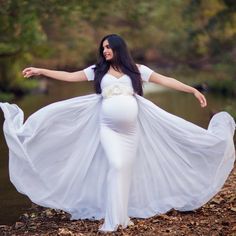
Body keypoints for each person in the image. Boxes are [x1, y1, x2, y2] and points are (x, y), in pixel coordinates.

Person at [0, 34, 235, 232]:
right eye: (103, 48)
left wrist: (191, 90)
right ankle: (112, 221)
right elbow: (71, 76)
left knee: (125, 170)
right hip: (108, 129)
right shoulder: (98, 70)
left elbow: (165, 80)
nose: (105, 51)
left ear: (118, 48)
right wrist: (42, 70)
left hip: (131, 132)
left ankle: (122, 217)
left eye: (108, 47)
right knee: (117, 166)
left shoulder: (136, 70)